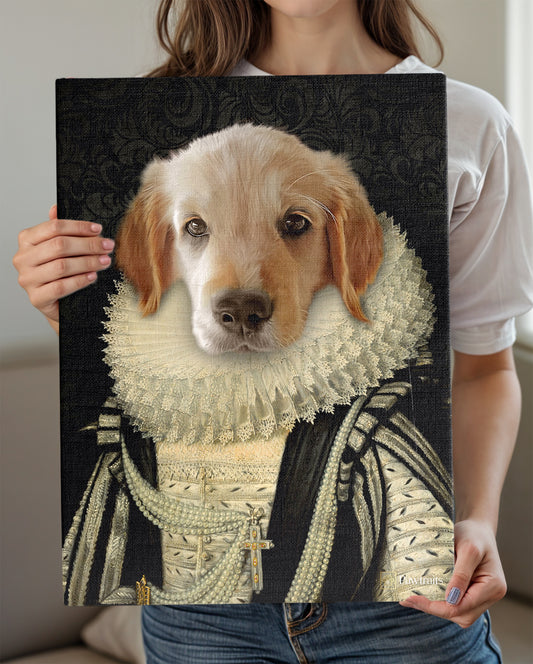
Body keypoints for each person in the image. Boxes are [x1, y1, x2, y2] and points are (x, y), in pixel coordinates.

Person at [13, 0, 533, 662]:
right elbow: (132, 353)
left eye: (294, 225)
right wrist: (64, 300)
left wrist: (478, 521)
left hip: (403, 600)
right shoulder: (150, 112)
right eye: (197, 228)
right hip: (199, 609)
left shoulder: (468, 122)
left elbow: (486, 368)